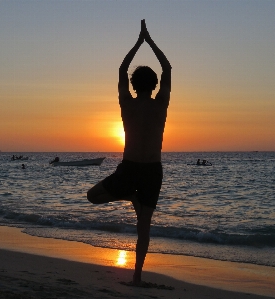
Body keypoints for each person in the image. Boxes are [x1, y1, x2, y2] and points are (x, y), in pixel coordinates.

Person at [87, 19, 171, 286]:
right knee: (143, 227)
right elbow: (167, 67)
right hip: (146, 169)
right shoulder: (161, 103)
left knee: (93, 196)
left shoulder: (127, 103)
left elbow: (123, 68)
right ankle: (136, 276)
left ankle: (137, 276)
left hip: (135, 168)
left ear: (134, 85)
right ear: (155, 84)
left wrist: (139, 41)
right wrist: (149, 41)